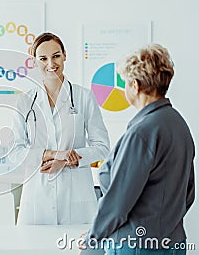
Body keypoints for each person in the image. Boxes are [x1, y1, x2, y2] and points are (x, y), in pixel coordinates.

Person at [81, 44, 195, 254]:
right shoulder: (179, 124)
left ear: (135, 86)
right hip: (174, 244)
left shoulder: (142, 132)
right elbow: (188, 194)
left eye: (125, 83)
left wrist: (93, 237)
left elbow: (117, 203)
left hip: (136, 245)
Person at [11, 32, 110, 225]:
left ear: (65, 55)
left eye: (56, 56)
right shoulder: (25, 101)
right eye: (43, 58)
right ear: (34, 61)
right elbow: (15, 152)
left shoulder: (84, 97)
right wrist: (55, 154)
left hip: (76, 196)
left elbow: (102, 146)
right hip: (37, 195)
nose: (51, 63)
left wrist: (67, 160)